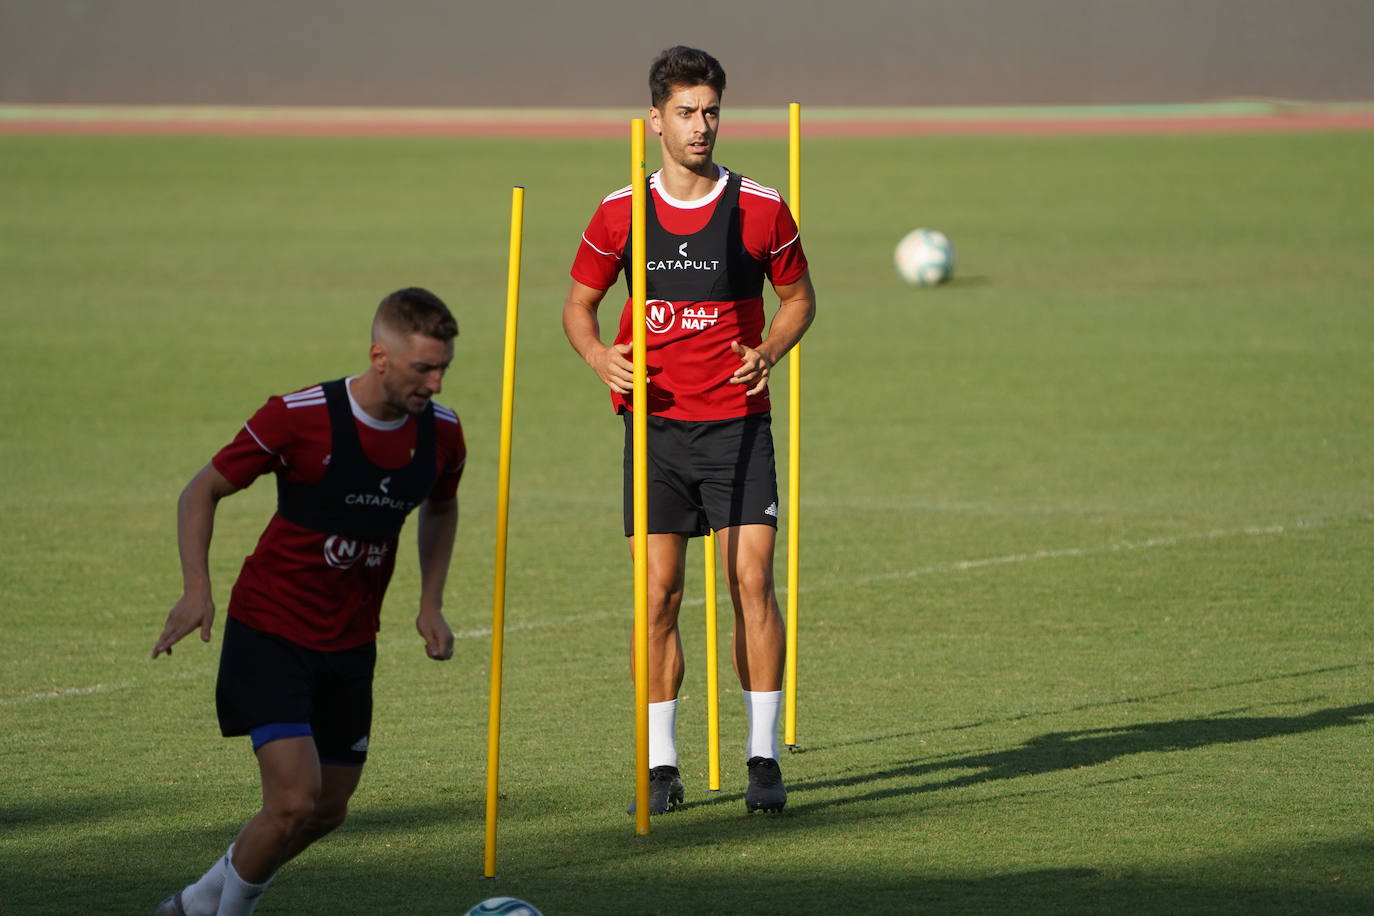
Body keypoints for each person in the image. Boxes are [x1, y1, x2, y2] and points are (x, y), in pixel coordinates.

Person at [151, 287, 466, 914]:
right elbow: (201, 490)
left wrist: (430, 602)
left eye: (443, 369)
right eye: (422, 368)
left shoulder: (442, 435)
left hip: (351, 642)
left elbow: (441, 505)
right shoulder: (298, 417)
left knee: (326, 811)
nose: (434, 382)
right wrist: (196, 589)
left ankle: (194, 902)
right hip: (271, 629)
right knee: (292, 800)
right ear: (380, 356)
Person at [562, 46, 817, 815]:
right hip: (657, 434)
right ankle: (661, 765)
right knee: (660, 597)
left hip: (739, 428)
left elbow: (799, 299)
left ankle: (763, 759)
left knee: (751, 586)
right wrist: (600, 354)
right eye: (686, 112)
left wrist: (769, 350)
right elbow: (579, 306)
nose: (701, 126)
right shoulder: (619, 211)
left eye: (711, 111)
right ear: (656, 121)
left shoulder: (762, 207)